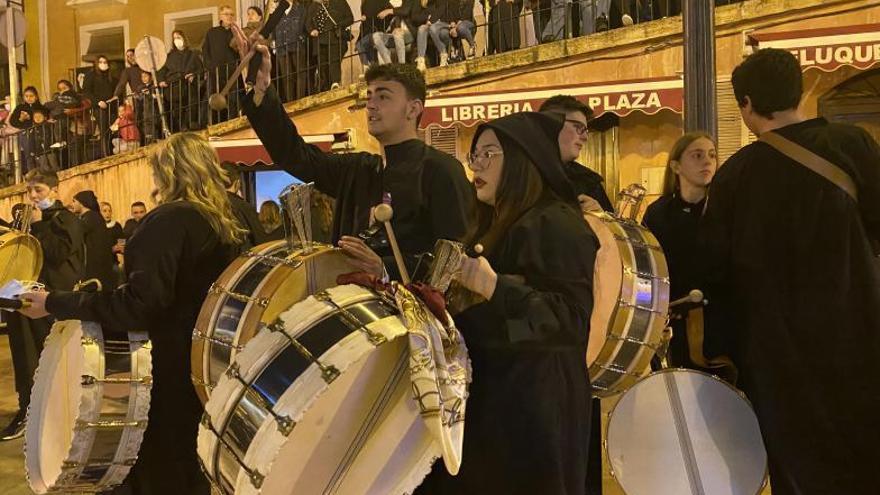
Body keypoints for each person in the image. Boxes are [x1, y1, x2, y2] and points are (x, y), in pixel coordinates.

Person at [19, 133, 245, 494]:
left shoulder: (170, 220)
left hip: (165, 375)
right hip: (207, 369)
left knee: (160, 475)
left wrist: (55, 302)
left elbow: (139, 306)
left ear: (167, 172)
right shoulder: (227, 222)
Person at [700, 48, 880, 495]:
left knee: (799, 469)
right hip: (859, 338)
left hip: (779, 357)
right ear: (799, 92)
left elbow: (714, 269)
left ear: (745, 105)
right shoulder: (851, 144)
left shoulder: (735, 176)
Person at [417, 112, 596, 494]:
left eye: (489, 154)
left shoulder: (557, 223)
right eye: (474, 155)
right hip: (494, 406)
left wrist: (494, 286)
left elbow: (570, 322)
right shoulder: (491, 223)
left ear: (522, 159)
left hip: (535, 412)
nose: (477, 164)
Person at [238, 35, 474, 280]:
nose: (370, 105)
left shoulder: (443, 171)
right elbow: (295, 155)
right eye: (369, 96)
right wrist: (262, 91)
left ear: (413, 109)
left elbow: (456, 263)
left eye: (383, 96)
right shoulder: (358, 169)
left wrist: (385, 268)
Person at [0, 168, 84, 441]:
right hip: (23, 297)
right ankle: (28, 409)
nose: (33, 197)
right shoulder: (30, 219)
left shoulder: (65, 218)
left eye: (39, 190)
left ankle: (55, 414)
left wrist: (37, 225)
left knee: (50, 359)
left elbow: (60, 254)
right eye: (30, 191)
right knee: (25, 359)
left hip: (50, 301)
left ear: (54, 190)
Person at [641, 132, 716, 367]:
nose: (707, 161)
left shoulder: (725, 209)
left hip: (719, 322)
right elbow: (647, 269)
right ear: (676, 166)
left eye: (712, 156)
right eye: (697, 155)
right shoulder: (658, 214)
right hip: (672, 322)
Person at [539, 95, 613, 212]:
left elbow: (612, 228)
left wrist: (601, 217)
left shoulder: (589, 182)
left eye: (585, 130)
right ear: (550, 125)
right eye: (578, 127)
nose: (585, 137)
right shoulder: (515, 175)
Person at [70, 190, 117, 291]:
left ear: (81, 202)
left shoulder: (90, 218)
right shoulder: (92, 217)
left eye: (74, 201)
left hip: (96, 271)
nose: (72, 204)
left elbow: (75, 233)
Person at [160, 31, 205, 132]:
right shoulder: (169, 56)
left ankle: (188, 127)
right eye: (174, 38)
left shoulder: (193, 54)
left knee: (190, 109)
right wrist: (162, 80)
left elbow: (201, 70)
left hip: (189, 87)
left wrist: (194, 75)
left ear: (184, 38)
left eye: (179, 37)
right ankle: (180, 129)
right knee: (176, 112)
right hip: (174, 88)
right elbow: (163, 71)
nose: (177, 40)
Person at [305, 0, 354, 91]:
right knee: (322, 66)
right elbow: (308, 22)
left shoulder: (340, 2)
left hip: (334, 38)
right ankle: (326, 88)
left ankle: (335, 83)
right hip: (319, 41)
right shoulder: (314, 5)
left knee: (334, 61)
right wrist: (312, 30)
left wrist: (338, 25)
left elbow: (350, 18)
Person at [203, 5, 240, 121]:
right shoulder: (212, 32)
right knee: (214, 98)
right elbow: (205, 50)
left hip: (233, 71)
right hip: (215, 72)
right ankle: (214, 123)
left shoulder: (237, 32)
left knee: (233, 99)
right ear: (220, 16)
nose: (229, 16)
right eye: (226, 14)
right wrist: (210, 67)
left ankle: (233, 122)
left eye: (231, 14)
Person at [221, 161, 267, 250]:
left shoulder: (210, 205)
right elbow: (261, 241)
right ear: (237, 183)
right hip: (242, 260)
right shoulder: (244, 207)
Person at [82, 55, 119, 158]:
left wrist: (115, 99)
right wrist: (97, 102)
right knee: (104, 131)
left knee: (114, 129)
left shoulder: (111, 76)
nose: (103, 64)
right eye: (101, 62)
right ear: (96, 63)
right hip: (99, 108)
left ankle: (113, 151)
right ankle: (106, 154)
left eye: (105, 62)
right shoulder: (90, 75)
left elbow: (116, 89)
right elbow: (86, 92)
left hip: (112, 106)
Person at [274, 0, 309, 100]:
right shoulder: (277, 9)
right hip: (281, 46)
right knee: (286, 76)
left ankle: (300, 99)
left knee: (300, 73)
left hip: (297, 44)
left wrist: (302, 37)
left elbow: (304, 25)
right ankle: (290, 101)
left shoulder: (300, 8)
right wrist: (273, 40)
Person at [373, 0, 416, 65]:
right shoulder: (390, 2)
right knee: (376, 36)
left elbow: (405, 11)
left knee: (397, 34)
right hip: (394, 33)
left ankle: (402, 65)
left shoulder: (410, 1)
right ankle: (389, 64)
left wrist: (389, 11)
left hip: (409, 32)